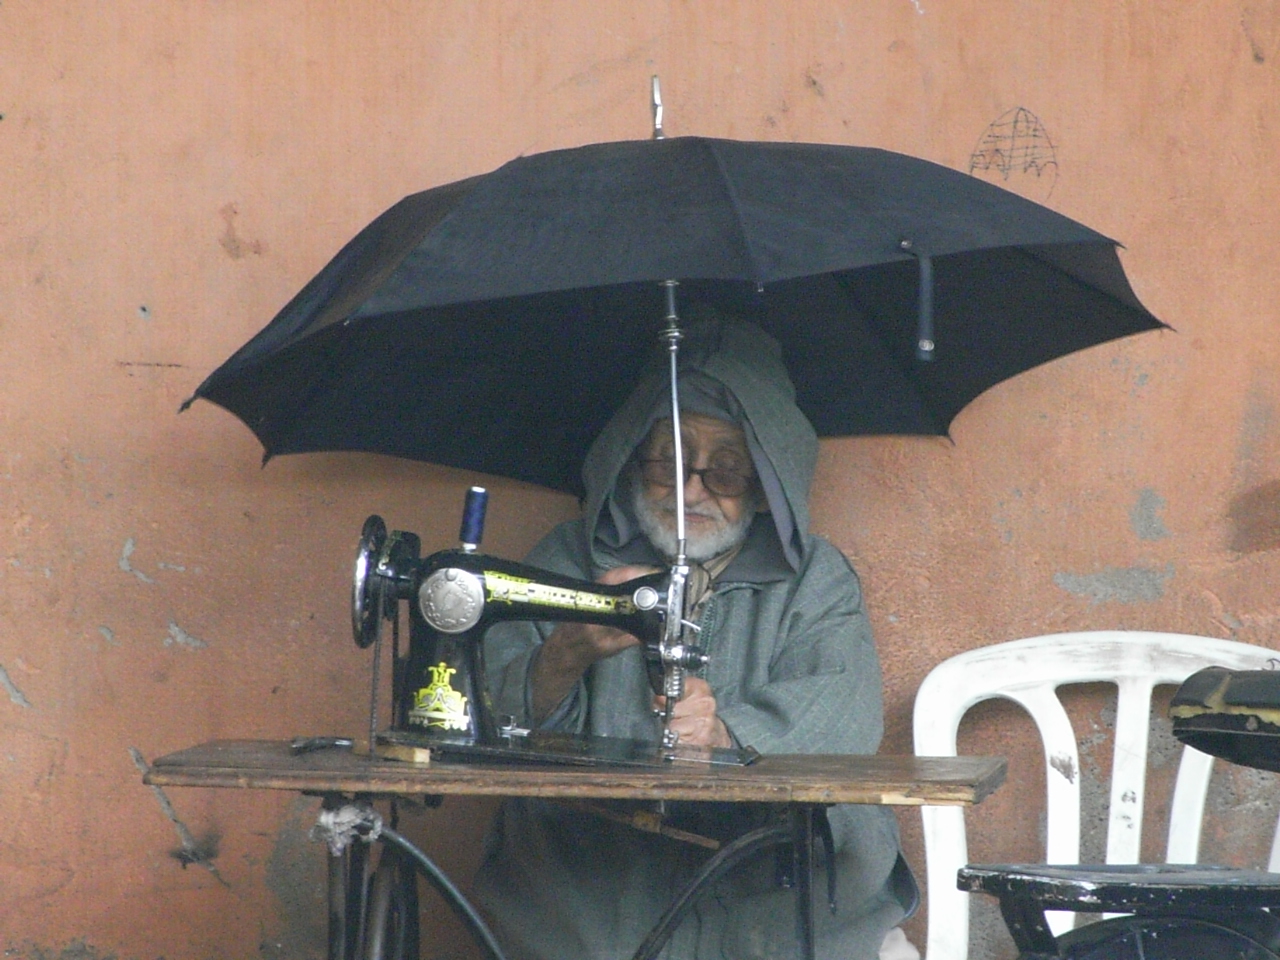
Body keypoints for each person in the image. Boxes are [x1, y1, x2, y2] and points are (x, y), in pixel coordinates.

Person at [474, 317, 917, 960]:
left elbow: (843, 720)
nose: (689, 492)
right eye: (669, 463)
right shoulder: (567, 562)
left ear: (768, 489)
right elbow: (491, 719)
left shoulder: (815, 581)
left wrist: (726, 735)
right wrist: (561, 657)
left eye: (726, 472)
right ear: (632, 461)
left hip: (772, 899)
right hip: (593, 888)